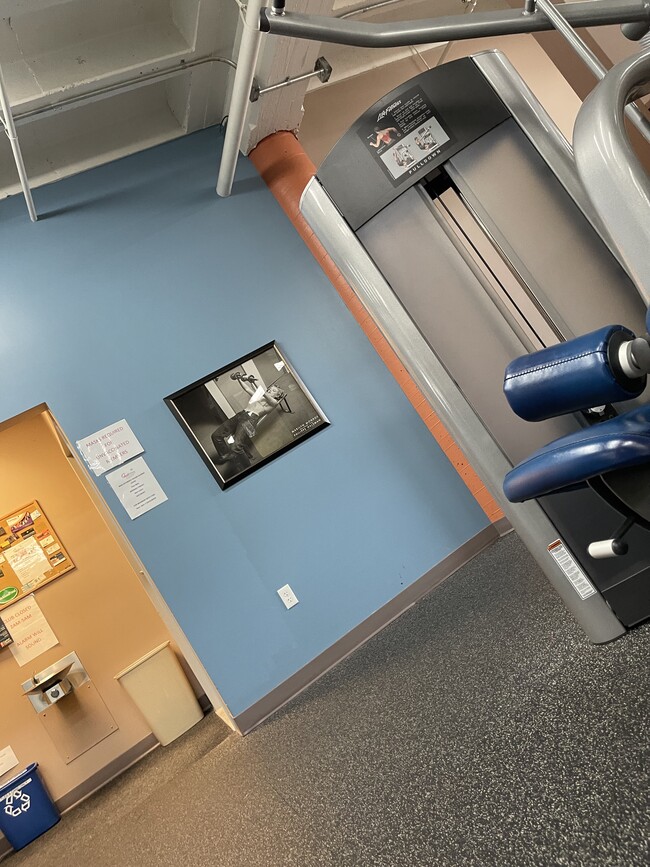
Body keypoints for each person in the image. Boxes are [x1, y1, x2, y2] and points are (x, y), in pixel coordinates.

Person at [211, 374, 282, 464]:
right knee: (216, 435)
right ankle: (226, 456)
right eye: (270, 388)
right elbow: (247, 389)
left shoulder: (274, 402)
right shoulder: (259, 397)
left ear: (277, 395)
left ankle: (247, 466)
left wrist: (253, 382)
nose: (270, 390)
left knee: (236, 447)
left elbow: (263, 393)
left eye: (273, 391)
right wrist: (239, 378)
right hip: (241, 414)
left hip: (251, 420)